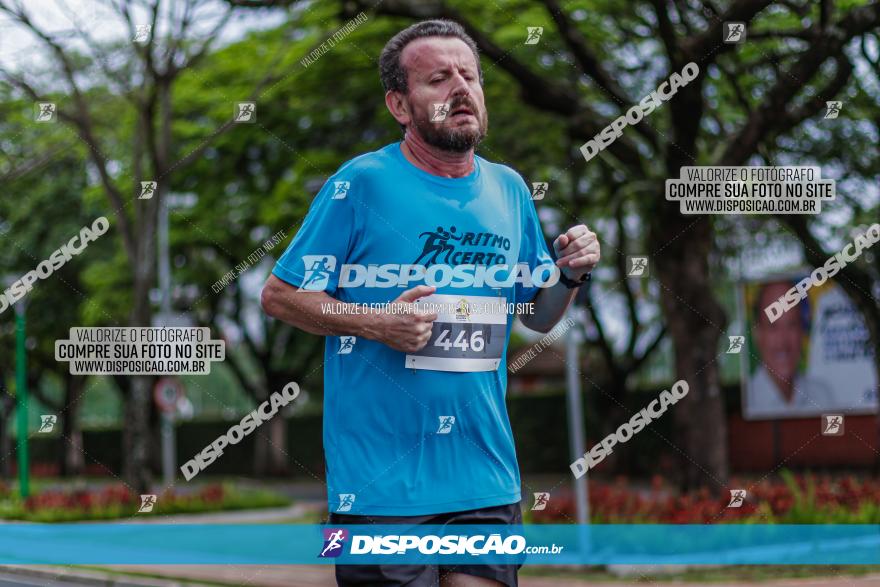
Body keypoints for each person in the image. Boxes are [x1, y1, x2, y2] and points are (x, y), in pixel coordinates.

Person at [261, 19, 600, 586]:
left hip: (484, 473)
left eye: (469, 75)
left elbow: (536, 315)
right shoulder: (361, 184)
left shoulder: (509, 189)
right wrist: (377, 322)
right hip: (381, 482)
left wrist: (569, 276)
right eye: (438, 79)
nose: (461, 89)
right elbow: (281, 295)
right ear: (400, 104)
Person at [746, 280, 833, 418]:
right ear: (758, 335)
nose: (783, 342)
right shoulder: (748, 398)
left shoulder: (822, 396)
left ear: (802, 331)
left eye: (791, 325)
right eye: (773, 327)